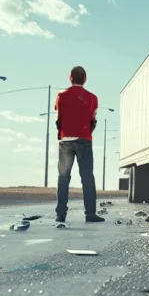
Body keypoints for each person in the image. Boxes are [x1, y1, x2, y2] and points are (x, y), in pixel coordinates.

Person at [55, 66, 104, 223]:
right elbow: (93, 121)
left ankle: (61, 214)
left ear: (70, 78)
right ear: (85, 79)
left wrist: (63, 132)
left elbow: (58, 119)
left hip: (65, 140)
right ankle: (90, 213)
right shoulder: (92, 98)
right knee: (87, 176)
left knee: (63, 177)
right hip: (84, 139)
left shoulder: (61, 96)